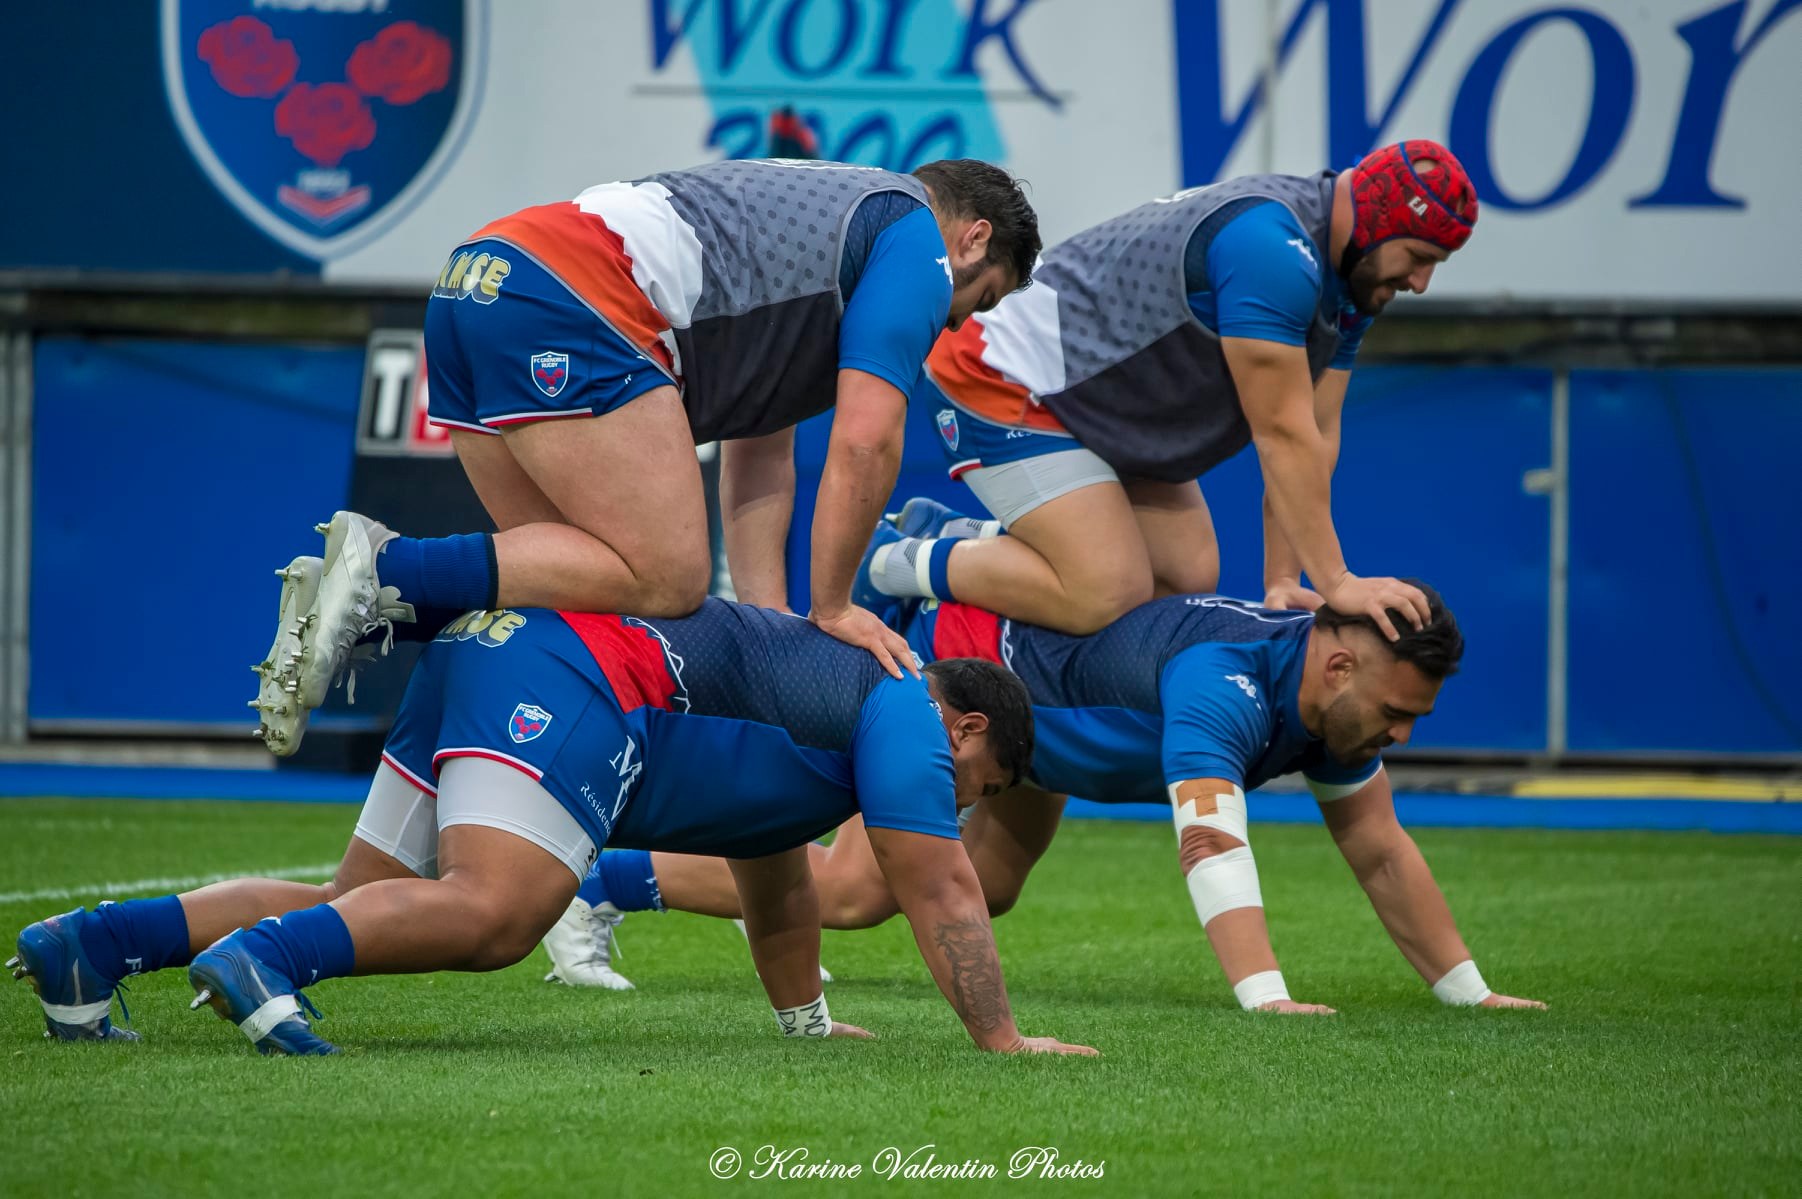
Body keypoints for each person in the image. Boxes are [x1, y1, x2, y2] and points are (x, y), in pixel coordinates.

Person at [13, 592, 1094, 1058]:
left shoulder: (823, 747)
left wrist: (805, 1022)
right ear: (962, 724)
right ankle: (262, 963)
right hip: (579, 671)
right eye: (982, 780)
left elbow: (779, 885)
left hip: (503, 647)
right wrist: (1000, 1039)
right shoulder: (904, 706)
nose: (963, 802)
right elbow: (940, 884)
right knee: (496, 917)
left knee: (365, 905)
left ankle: (93, 945)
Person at [251, 156, 1040, 754]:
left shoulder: (824, 260)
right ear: (971, 239)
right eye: (984, 296)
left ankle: (452, 784)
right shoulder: (911, 231)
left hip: (477, 281)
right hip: (566, 290)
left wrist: (774, 628)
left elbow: (759, 451)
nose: (959, 323)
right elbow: (867, 440)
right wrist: (833, 605)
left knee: (564, 592)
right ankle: (386, 574)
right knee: (667, 574)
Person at [550, 578, 1543, 1015]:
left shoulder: (1325, 707)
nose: (1401, 732)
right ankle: (601, 884)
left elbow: (1377, 845)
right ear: (1332, 664)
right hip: (982, 676)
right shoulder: (1225, 681)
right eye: (1395, 707)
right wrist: (1266, 995)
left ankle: (763, 903)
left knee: (991, 888)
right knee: (858, 891)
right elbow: (1208, 840)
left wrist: (1468, 989)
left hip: (1048, 734)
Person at [859, 140, 1476, 637]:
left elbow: (1314, 439)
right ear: (1375, 222)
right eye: (1420, 256)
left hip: (1099, 406)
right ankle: (895, 558)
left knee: (1182, 575)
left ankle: (974, 546)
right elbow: (1282, 435)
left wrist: (1284, 579)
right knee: (1106, 588)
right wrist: (1337, 580)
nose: (1421, 282)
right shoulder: (1274, 251)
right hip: (1001, 372)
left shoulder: (1352, 281)